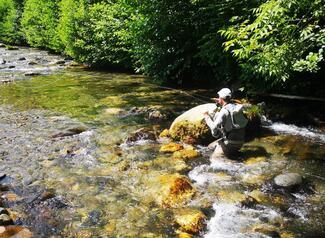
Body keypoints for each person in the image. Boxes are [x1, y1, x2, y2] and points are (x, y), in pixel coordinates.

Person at [203, 88, 248, 159]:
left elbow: (214, 127)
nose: (218, 98)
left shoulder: (224, 111)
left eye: (219, 97)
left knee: (215, 159)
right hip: (240, 141)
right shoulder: (235, 106)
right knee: (210, 147)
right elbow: (227, 107)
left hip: (230, 143)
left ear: (221, 98)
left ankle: (235, 165)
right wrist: (220, 101)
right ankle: (233, 153)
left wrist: (206, 117)